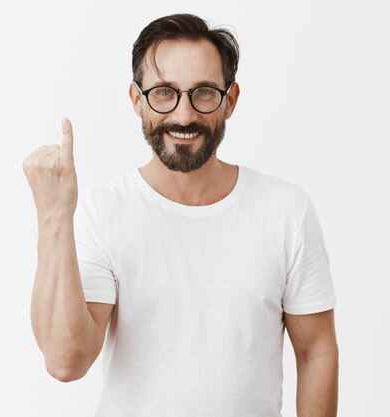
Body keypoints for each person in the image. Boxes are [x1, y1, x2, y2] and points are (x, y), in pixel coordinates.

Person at [22, 13, 338, 417]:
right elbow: (66, 362)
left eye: (204, 93)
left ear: (231, 100)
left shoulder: (286, 211)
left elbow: (315, 351)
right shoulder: (103, 213)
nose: (184, 116)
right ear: (137, 100)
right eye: (164, 93)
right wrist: (54, 216)